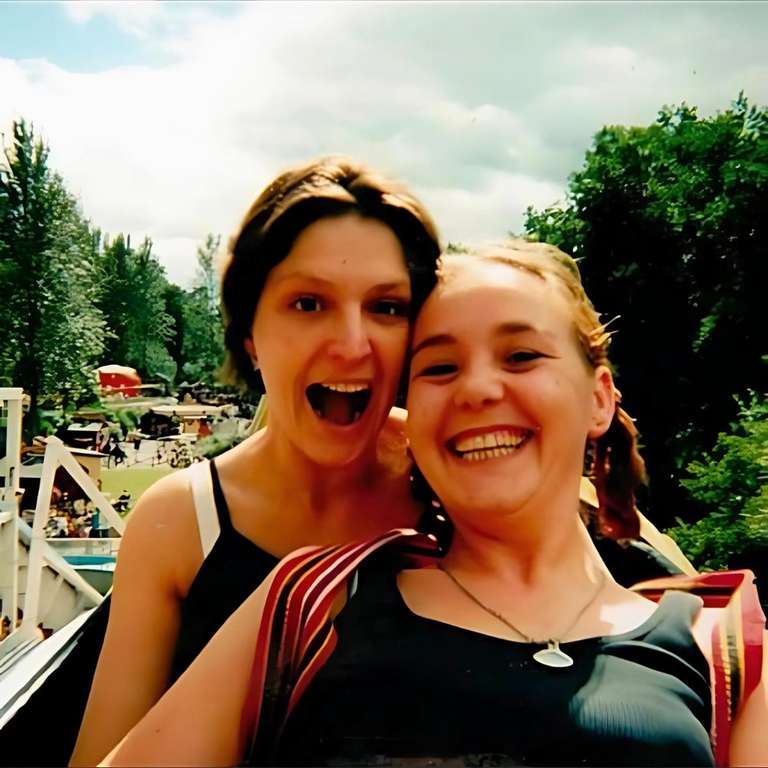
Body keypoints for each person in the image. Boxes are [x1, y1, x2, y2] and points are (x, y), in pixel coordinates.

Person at [102, 241, 766, 767]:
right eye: (439, 368)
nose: (477, 389)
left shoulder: (722, 646)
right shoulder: (313, 603)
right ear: (410, 414)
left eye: (521, 355)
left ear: (598, 399)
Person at [69, 156, 442, 766]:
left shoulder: (455, 490)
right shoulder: (181, 523)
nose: (352, 344)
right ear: (250, 335)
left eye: (387, 307)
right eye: (308, 303)